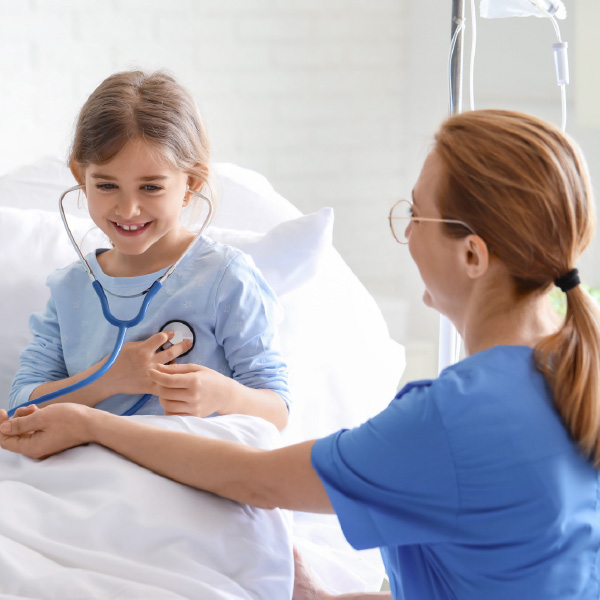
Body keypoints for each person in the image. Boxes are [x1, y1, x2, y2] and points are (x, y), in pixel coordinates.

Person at [2, 109, 600, 599]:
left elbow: (253, 478)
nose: (408, 232)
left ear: (472, 255)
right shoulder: (569, 377)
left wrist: (90, 422)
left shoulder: (452, 415)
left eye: (415, 213)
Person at [7, 70, 290, 430]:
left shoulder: (225, 277)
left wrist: (224, 395)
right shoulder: (71, 288)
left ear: (192, 183)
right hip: (89, 470)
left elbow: (277, 411)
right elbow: (21, 405)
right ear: (81, 177)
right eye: (107, 185)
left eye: (151, 188)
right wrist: (108, 378)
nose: (127, 210)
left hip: (188, 470)